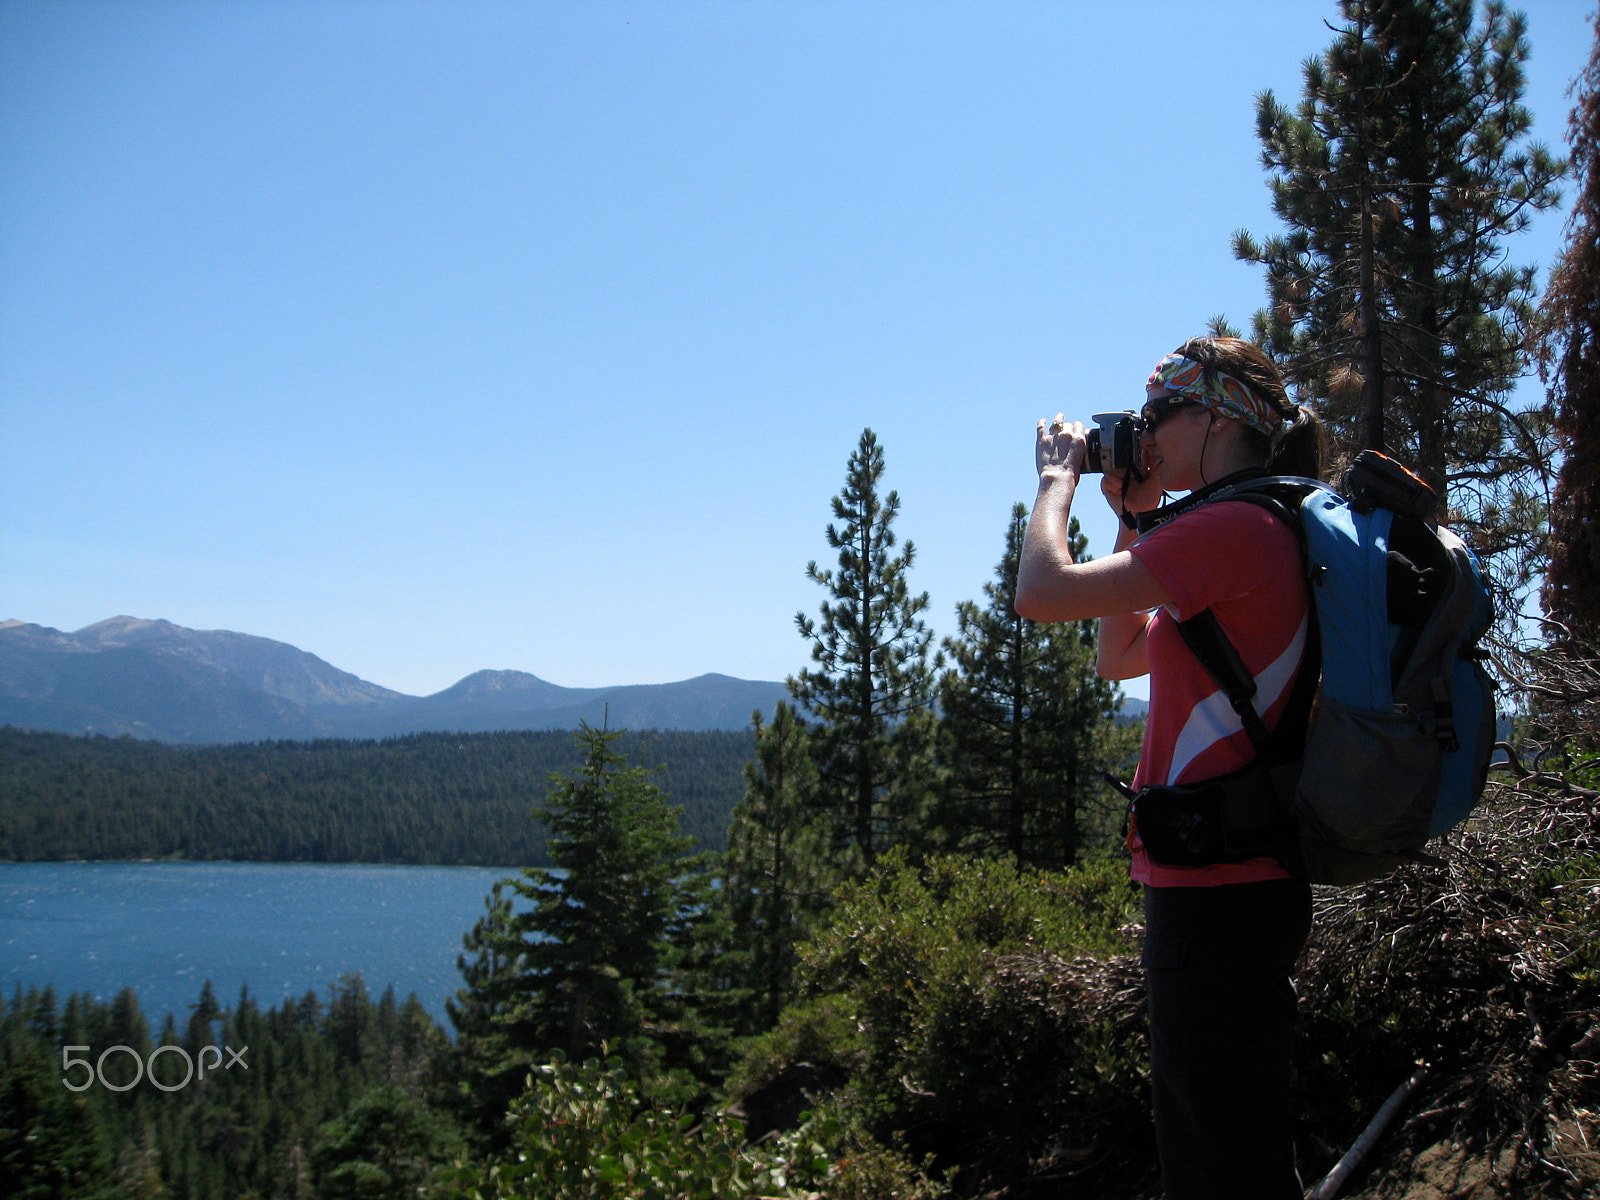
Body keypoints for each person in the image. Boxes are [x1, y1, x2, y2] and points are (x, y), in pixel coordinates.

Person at [1014, 336, 1327, 1200]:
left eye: (1158, 416)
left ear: (1217, 416)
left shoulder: (1234, 526)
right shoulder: (1264, 526)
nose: (1144, 433)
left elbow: (1041, 590)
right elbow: (1118, 655)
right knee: (1232, 1140)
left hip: (1217, 891)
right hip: (1241, 878)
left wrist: (1055, 486)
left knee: (1218, 1162)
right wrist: (1135, 510)